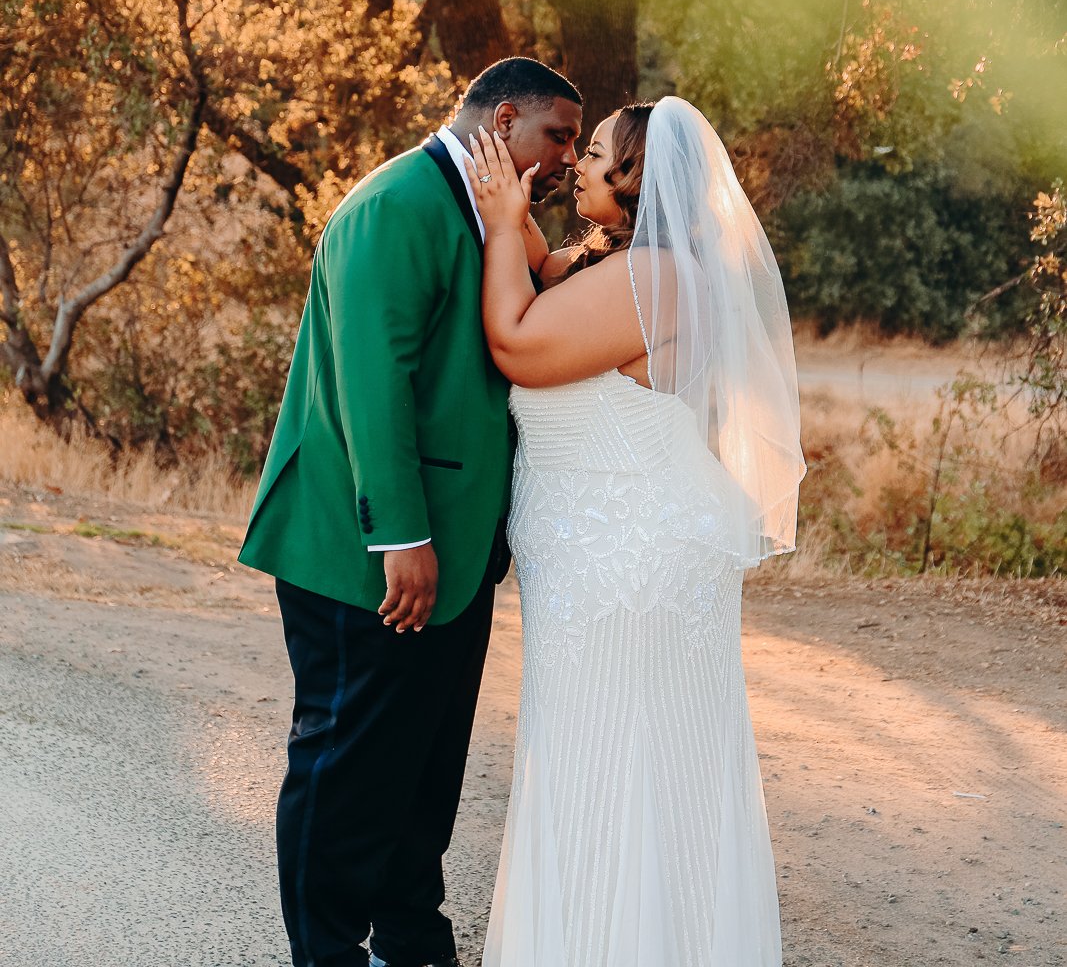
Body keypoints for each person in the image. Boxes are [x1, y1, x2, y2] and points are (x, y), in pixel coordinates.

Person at [238, 57, 583, 967]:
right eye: (559, 138)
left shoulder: (490, 213)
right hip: (368, 550)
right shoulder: (395, 205)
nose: (565, 160)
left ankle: (412, 940)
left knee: (422, 768)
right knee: (346, 764)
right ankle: (324, 951)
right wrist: (402, 535)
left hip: (459, 553)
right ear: (504, 119)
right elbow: (371, 381)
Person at [464, 96, 806, 967]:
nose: (576, 163)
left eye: (595, 152)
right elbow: (544, 279)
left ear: (636, 178)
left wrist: (506, 224)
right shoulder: (612, 264)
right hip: (598, 558)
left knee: (617, 764)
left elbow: (515, 342)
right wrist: (515, 211)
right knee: (593, 763)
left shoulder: (658, 276)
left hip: (630, 564)